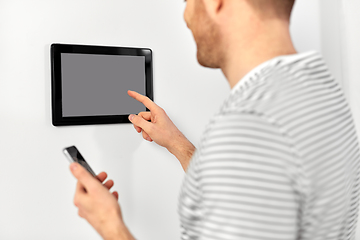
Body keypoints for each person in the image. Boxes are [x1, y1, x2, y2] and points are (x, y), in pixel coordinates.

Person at [69, 0, 360, 239]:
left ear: (217, 3)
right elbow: (257, 193)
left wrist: (110, 226)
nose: (185, 16)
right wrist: (178, 144)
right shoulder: (321, 90)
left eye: (187, 1)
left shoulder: (246, 128)